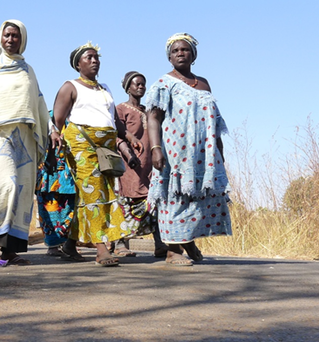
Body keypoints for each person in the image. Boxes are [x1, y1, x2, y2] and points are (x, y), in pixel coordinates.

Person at [52, 42, 142, 267]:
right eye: (89, 57)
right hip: (82, 146)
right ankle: (102, 249)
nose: (94, 61)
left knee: (100, 193)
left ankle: (70, 244)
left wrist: (130, 137)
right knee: (94, 194)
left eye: (96, 57)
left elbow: (114, 121)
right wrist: (56, 141)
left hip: (106, 148)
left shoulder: (105, 88)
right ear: (78, 64)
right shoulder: (70, 86)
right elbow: (58, 120)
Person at [0, 20, 55, 265]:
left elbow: (39, 103)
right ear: (0, 37)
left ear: (23, 39)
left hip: (27, 137)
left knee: (22, 191)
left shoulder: (28, 70)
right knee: (5, 185)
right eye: (7, 35)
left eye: (15, 36)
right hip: (0, 136)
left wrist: (51, 130)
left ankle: (11, 249)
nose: (10, 40)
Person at [146, 33, 232, 266]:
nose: (180, 53)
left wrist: (220, 155)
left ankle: (188, 240)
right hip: (176, 151)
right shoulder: (164, 83)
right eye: (175, 51)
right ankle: (173, 251)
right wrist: (155, 148)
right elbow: (153, 118)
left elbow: (214, 121)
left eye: (185, 50)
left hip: (204, 153)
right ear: (169, 57)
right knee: (176, 196)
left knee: (199, 199)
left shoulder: (203, 83)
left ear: (193, 54)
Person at [114, 71, 169, 258]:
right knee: (126, 199)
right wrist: (128, 155)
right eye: (136, 84)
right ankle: (121, 242)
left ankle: (160, 242)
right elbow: (117, 135)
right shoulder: (120, 109)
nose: (140, 87)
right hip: (130, 164)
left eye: (143, 84)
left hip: (149, 165)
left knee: (154, 201)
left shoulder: (149, 111)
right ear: (127, 87)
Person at [36, 110, 76, 257]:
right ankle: (52, 244)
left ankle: (67, 244)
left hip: (69, 173)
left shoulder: (77, 118)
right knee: (48, 211)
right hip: (49, 172)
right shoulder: (47, 118)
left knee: (69, 209)